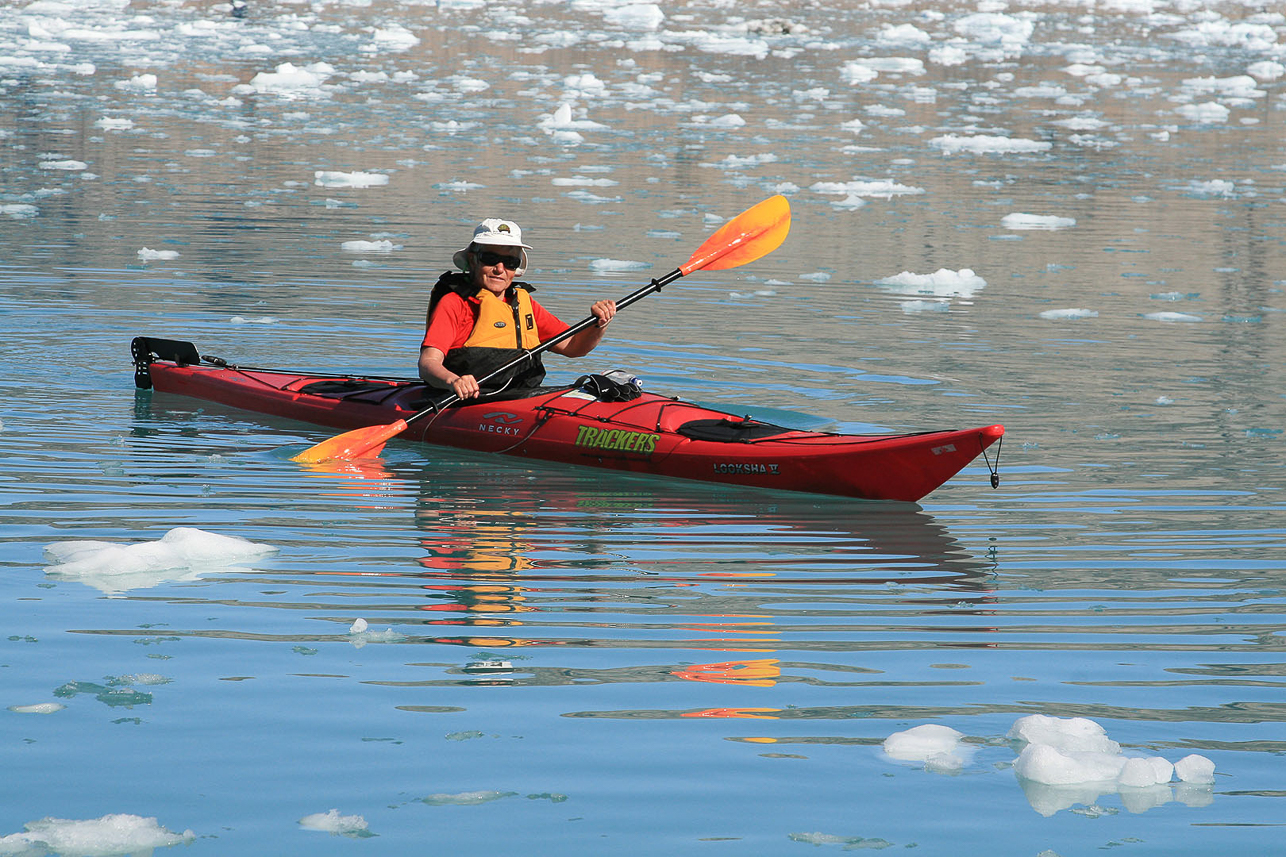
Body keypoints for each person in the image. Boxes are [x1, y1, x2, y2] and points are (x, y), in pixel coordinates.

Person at [418, 218, 616, 400]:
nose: (500, 269)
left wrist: (599, 324)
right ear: (472, 259)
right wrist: (454, 381)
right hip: (465, 401)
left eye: (510, 262)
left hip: (523, 398)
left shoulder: (524, 304)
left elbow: (574, 347)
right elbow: (428, 364)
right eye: (490, 258)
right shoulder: (454, 303)